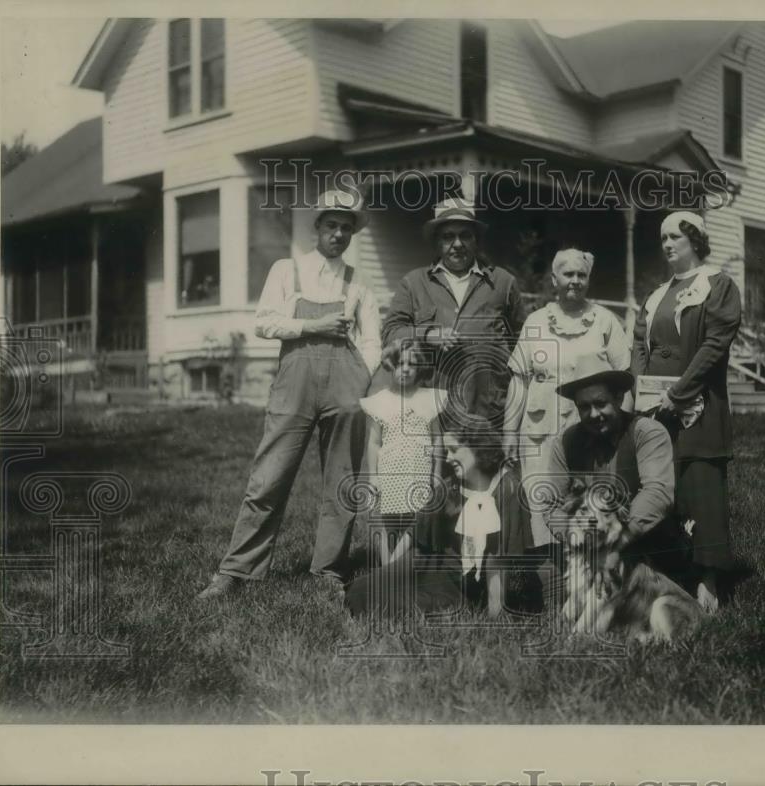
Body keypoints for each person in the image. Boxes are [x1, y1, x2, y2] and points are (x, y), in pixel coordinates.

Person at [197, 190, 381, 599]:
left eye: (346, 228)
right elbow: (264, 323)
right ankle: (235, 571)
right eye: (331, 225)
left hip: (346, 381)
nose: (338, 234)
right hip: (295, 376)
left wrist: (361, 380)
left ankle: (329, 571)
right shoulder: (286, 269)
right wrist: (310, 327)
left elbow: (372, 339)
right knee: (269, 475)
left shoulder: (359, 279)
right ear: (316, 227)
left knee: (342, 480)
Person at [630, 211, 742, 611]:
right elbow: (640, 345)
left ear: (695, 239)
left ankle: (709, 582)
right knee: (659, 483)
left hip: (698, 405)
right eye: (662, 237)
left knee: (701, 488)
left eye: (674, 236)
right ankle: (664, 575)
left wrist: (677, 394)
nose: (666, 244)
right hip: (653, 407)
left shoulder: (717, 286)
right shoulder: (656, 294)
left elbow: (715, 346)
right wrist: (641, 392)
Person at [504, 247, 630, 547]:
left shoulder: (605, 322)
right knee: (542, 499)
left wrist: (620, 432)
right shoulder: (535, 322)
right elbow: (519, 381)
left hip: (588, 431)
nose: (574, 280)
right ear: (554, 278)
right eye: (568, 274)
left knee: (583, 500)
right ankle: (547, 576)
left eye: (581, 275)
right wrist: (509, 431)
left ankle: (588, 570)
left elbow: (625, 383)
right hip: (539, 432)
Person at [344, 425, 535, 619]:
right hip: (428, 563)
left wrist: (496, 613)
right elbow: (414, 531)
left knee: (400, 606)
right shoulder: (451, 485)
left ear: (477, 448)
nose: (448, 459)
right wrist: (389, 572)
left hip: (463, 582)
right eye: (446, 452)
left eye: (454, 450)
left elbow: (498, 560)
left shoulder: (507, 489)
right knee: (362, 589)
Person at [379, 197, 528, 429]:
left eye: (465, 235)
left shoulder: (503, 282)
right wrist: (428, 334)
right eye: (448, 236)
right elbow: (391, 332)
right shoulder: (414, 283)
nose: (457, 244)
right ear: (436, 243)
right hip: (431, 406)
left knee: (484, 466)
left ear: (476, 240)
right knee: (433, 465)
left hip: (487, 409)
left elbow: (523, 340)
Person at [541, 357, 679, 570]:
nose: (594, 414)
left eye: (600, 404)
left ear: (619, 397)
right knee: (547, 584)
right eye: (584, 407)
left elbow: (658, 493)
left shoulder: (647, 432)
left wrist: (615, 540)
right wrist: (574, 536)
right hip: (585, 548)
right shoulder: (566, 441)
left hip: (643, 545)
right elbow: (551, 503)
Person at [360, 341, 446, 567]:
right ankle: (386, 568)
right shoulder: (381, 401)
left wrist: (436, 473)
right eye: (400, 363)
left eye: (412, 364)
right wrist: (373, 475)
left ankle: (402, 567)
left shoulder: (428, 399)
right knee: (389, 522)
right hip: (390, 470)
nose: (406, 368)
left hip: (419, 469)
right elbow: (374, 442)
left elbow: (437, 439)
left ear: (419, 369)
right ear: (391, 365)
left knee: (417, 520)